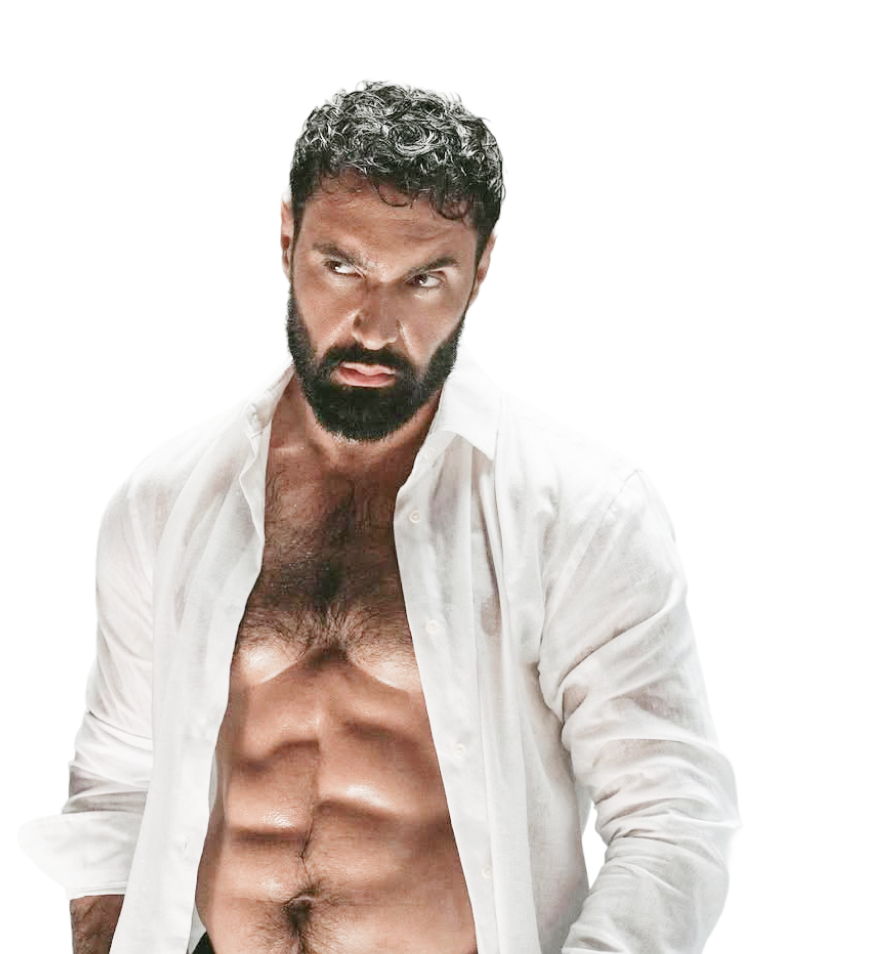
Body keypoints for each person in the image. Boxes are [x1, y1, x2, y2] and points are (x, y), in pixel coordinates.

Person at [16, 78, 743, 954]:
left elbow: (673, 816)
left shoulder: (585, 508)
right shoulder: (166, 497)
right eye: (342, 267)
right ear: (286, 238)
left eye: (424, 278)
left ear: (481, 271)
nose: (374, 324)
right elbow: (118, 783)